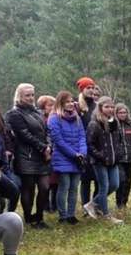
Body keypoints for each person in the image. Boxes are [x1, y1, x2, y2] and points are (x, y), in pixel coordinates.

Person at [5, 83, 52, 229]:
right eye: (27, 95)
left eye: (32, 94)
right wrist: (43, 147)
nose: (31, 98)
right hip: (25, 155)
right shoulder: (14, 114)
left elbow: (46, 131)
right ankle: (28, 218)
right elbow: (24, 135)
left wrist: (49, 146)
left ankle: (39, 217)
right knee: (28, 188)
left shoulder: (37, 112)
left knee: (45, 187)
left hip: (42, 155)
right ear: (19, 96)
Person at [47, 91, 87, 225]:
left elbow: (82, 136)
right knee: (64, 186)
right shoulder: (54, 118)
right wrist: (73, 154)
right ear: (61, 103)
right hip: (63, 157)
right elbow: (58, 140)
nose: (70, 104)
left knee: (74, 187)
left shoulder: (77, 118)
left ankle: (71, 214)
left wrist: (82, 152)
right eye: (67, 102)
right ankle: (62, 215)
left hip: (78, 158)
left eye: (71, 101)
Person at [85, 96, 123, 224]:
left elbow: (118, 141)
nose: (110, 109)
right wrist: (101, 156)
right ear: (100, 108)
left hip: (113, 160)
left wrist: (118, 154)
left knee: (115, 184)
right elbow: (90, 144)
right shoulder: (94, 124)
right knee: (104, 187)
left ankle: (92, 204)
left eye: (112, 107)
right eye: (107, 107)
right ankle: (106, 215)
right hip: (100, 161)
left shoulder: (114, 122)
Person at [75, 77, 99, 207]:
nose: (90, 90)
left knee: (98, 179)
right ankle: (85, 206)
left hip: (96, 147)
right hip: (83, 148)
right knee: (85, 180)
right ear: (82, 89)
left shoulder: (97, 106)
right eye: (88, 88)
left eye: (92, 87)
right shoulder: (76, 106)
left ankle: (94, 204)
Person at [114, 103, 131, 210]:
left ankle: (124, 203)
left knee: (128, 182)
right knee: (121, 180)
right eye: (120, 113)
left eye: (124, 112)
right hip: (119, 159)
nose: (122, 114)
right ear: (116, 113)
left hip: (130, 158)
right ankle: (119, 202)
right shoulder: (113, 125)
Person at [37, 95, 59, 212]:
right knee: (47, 183)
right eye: (50, 105)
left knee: (56, 181)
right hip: (45, 153)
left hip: (57, 153)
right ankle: (46, 205)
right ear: (43, 107)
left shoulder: (56, 118)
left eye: (54, 105)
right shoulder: (40, 120)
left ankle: (54, 205)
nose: (52, 108)